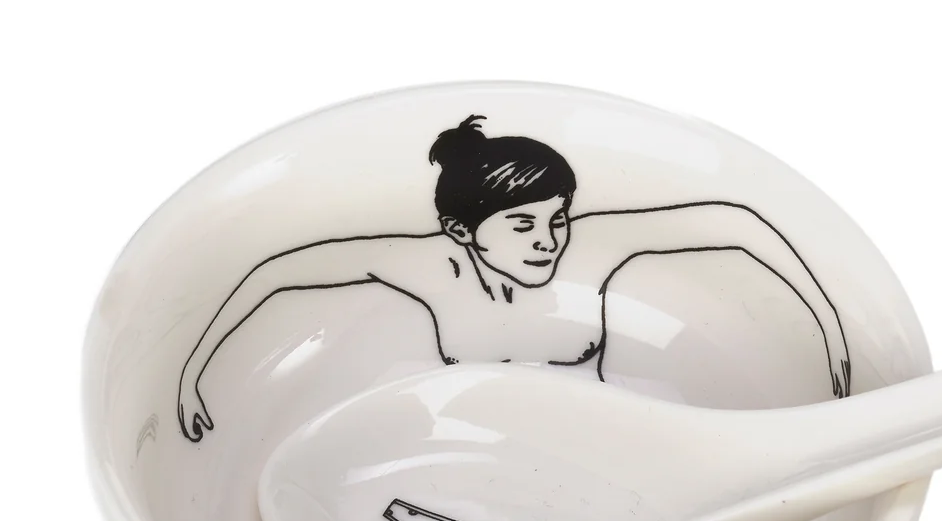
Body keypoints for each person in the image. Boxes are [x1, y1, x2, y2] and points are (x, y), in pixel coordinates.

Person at [177, 115, 851, 441]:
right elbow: (277, 272)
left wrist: (832, 330)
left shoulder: (594, 248)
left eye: (557, 219)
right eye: (523, 225)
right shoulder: (426, 267)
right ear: (461, 231)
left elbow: (736, 222)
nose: (550, 241)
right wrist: (190, 374)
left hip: (599, 450)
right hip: (475, 459)